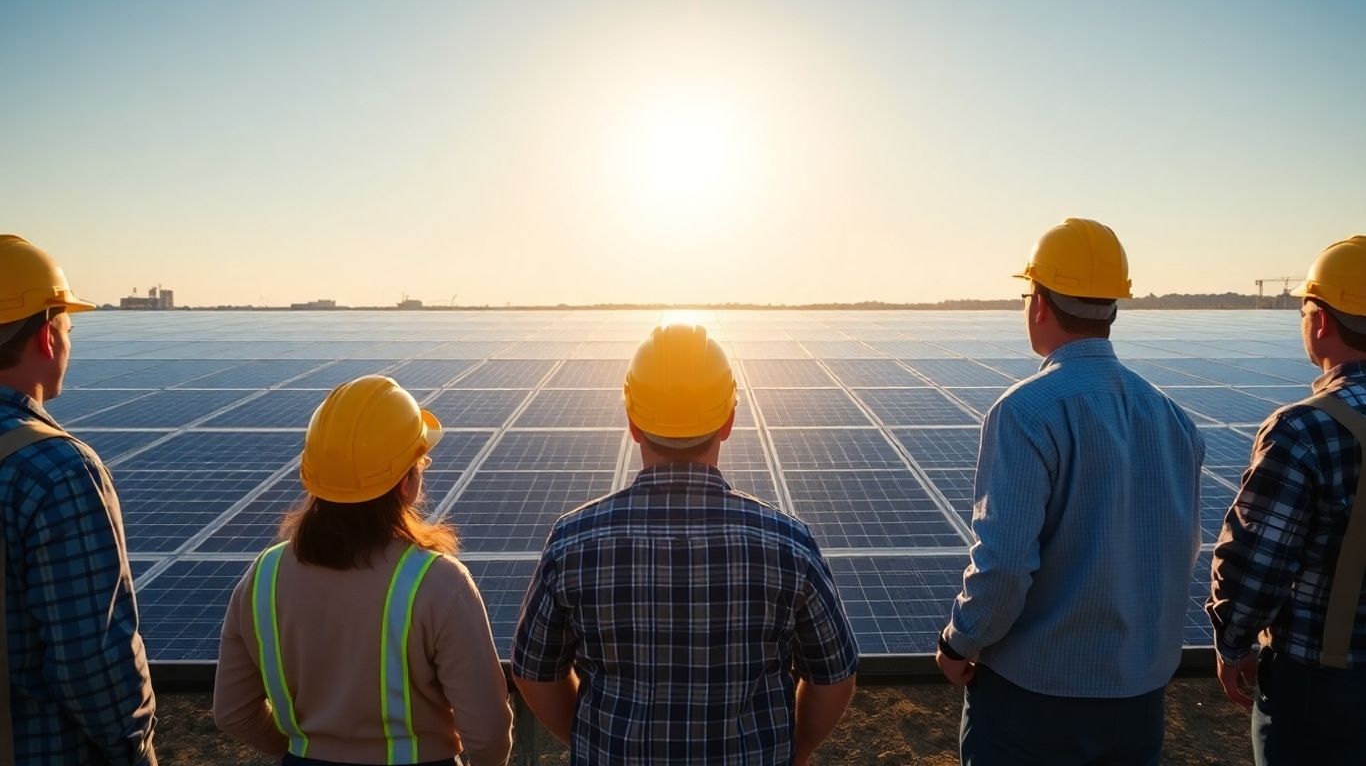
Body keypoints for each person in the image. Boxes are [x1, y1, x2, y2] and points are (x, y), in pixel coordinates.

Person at [510, 322, 858, 766]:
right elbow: (833, 679)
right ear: (729, 421)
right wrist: (797, 751)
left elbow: (535, 674)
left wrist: (592, 741)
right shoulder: (788, 543)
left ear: (633, 423)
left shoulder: (573, 541)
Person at [935, 219, 1204, 765]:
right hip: (1137, 700)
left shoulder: (1025, 411)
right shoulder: (1173, 418)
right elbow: (1183, 549)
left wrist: (960, 641)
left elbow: (1005, 565)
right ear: (1113, 309)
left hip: (1033, 704)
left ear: (1038, 303)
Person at [214, 375, 513, 766]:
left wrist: (301, 751)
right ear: (407, 483)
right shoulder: (438, 582)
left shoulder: (263, 576)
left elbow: (233, 712)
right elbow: (488, 732)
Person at [1206, 235, 1366, 765]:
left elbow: (1256, 562)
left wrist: (1234, 644)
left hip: (1325, 692)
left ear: (1320, 319)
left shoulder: (1305, 429)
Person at [0, 235, 158, 765]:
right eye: (68, 326)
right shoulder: (55, 471)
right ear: (46, 335)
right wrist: (138, 750)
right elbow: (93, 664)